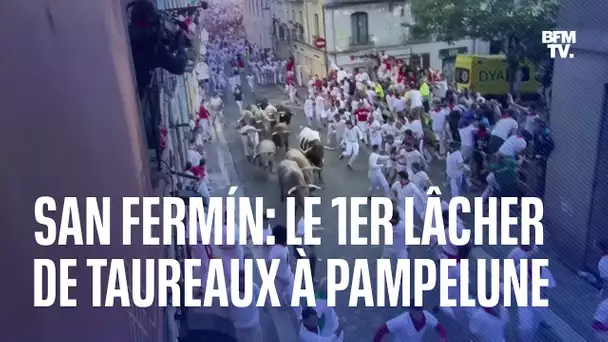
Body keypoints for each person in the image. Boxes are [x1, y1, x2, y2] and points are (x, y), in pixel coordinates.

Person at [267, 225, 301, 319]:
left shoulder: (283, 248)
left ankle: (298, 315)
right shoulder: (276, 251)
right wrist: (277, 278)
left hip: (287, 275)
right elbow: (269, 266)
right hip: (281, 279)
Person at [373, 305, 447, 342]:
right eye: (416, 311)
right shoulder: (401, 320)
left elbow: (441, 329)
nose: (419, 315)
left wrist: (442, 339)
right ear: (410, 311)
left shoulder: (426, 315)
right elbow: (381, 330)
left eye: (420, 311)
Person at [229, 271, 264, 342]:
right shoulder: (229, 292)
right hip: (239, 327)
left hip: (253, 325)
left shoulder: (253, 287)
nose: (242, 285)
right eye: (240, 283)